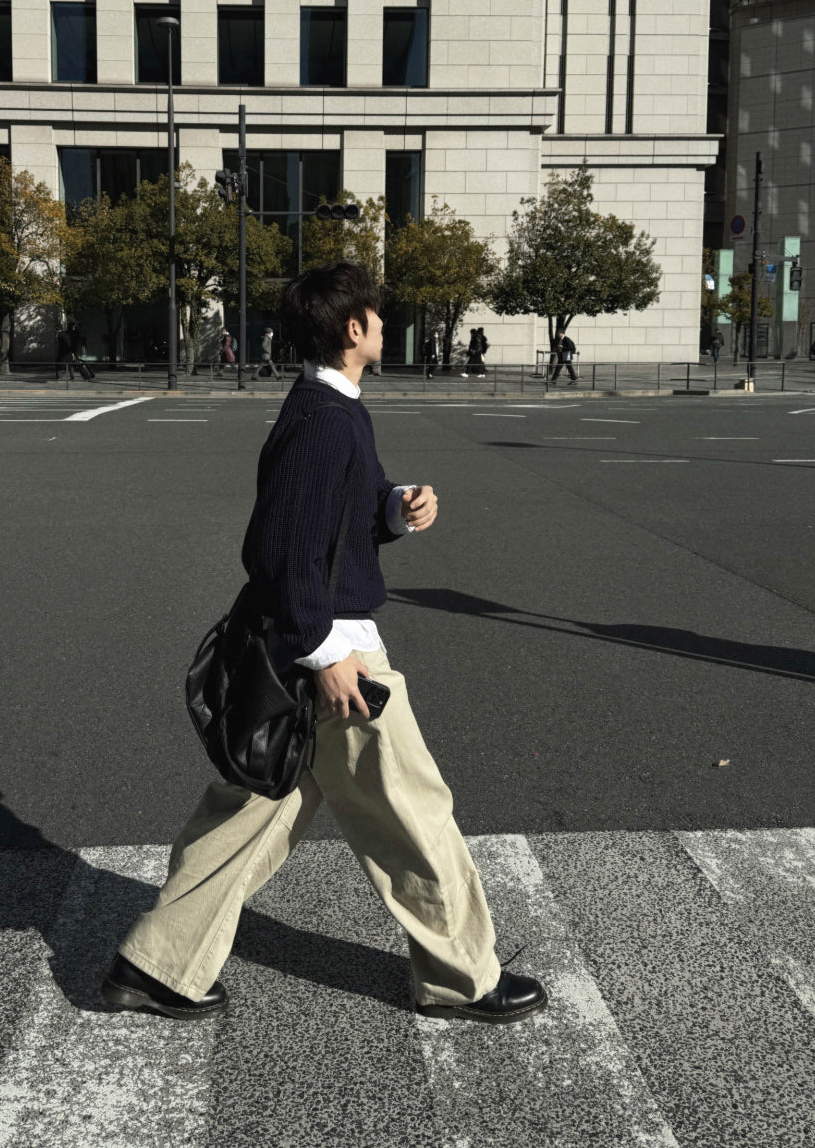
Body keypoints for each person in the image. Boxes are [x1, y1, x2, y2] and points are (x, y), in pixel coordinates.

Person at [101, 262, 547, 1026]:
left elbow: (339, 522)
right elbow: (280, 548)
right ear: (354, 329)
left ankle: (156, 964)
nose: (383, 320)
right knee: (413, 809)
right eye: (376, 311)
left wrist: (397, 509)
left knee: (253, 811)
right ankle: (461, 977)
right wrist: (323, 652)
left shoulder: (332, 408)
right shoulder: (324, 418)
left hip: (311, 649)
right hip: (335, 655)